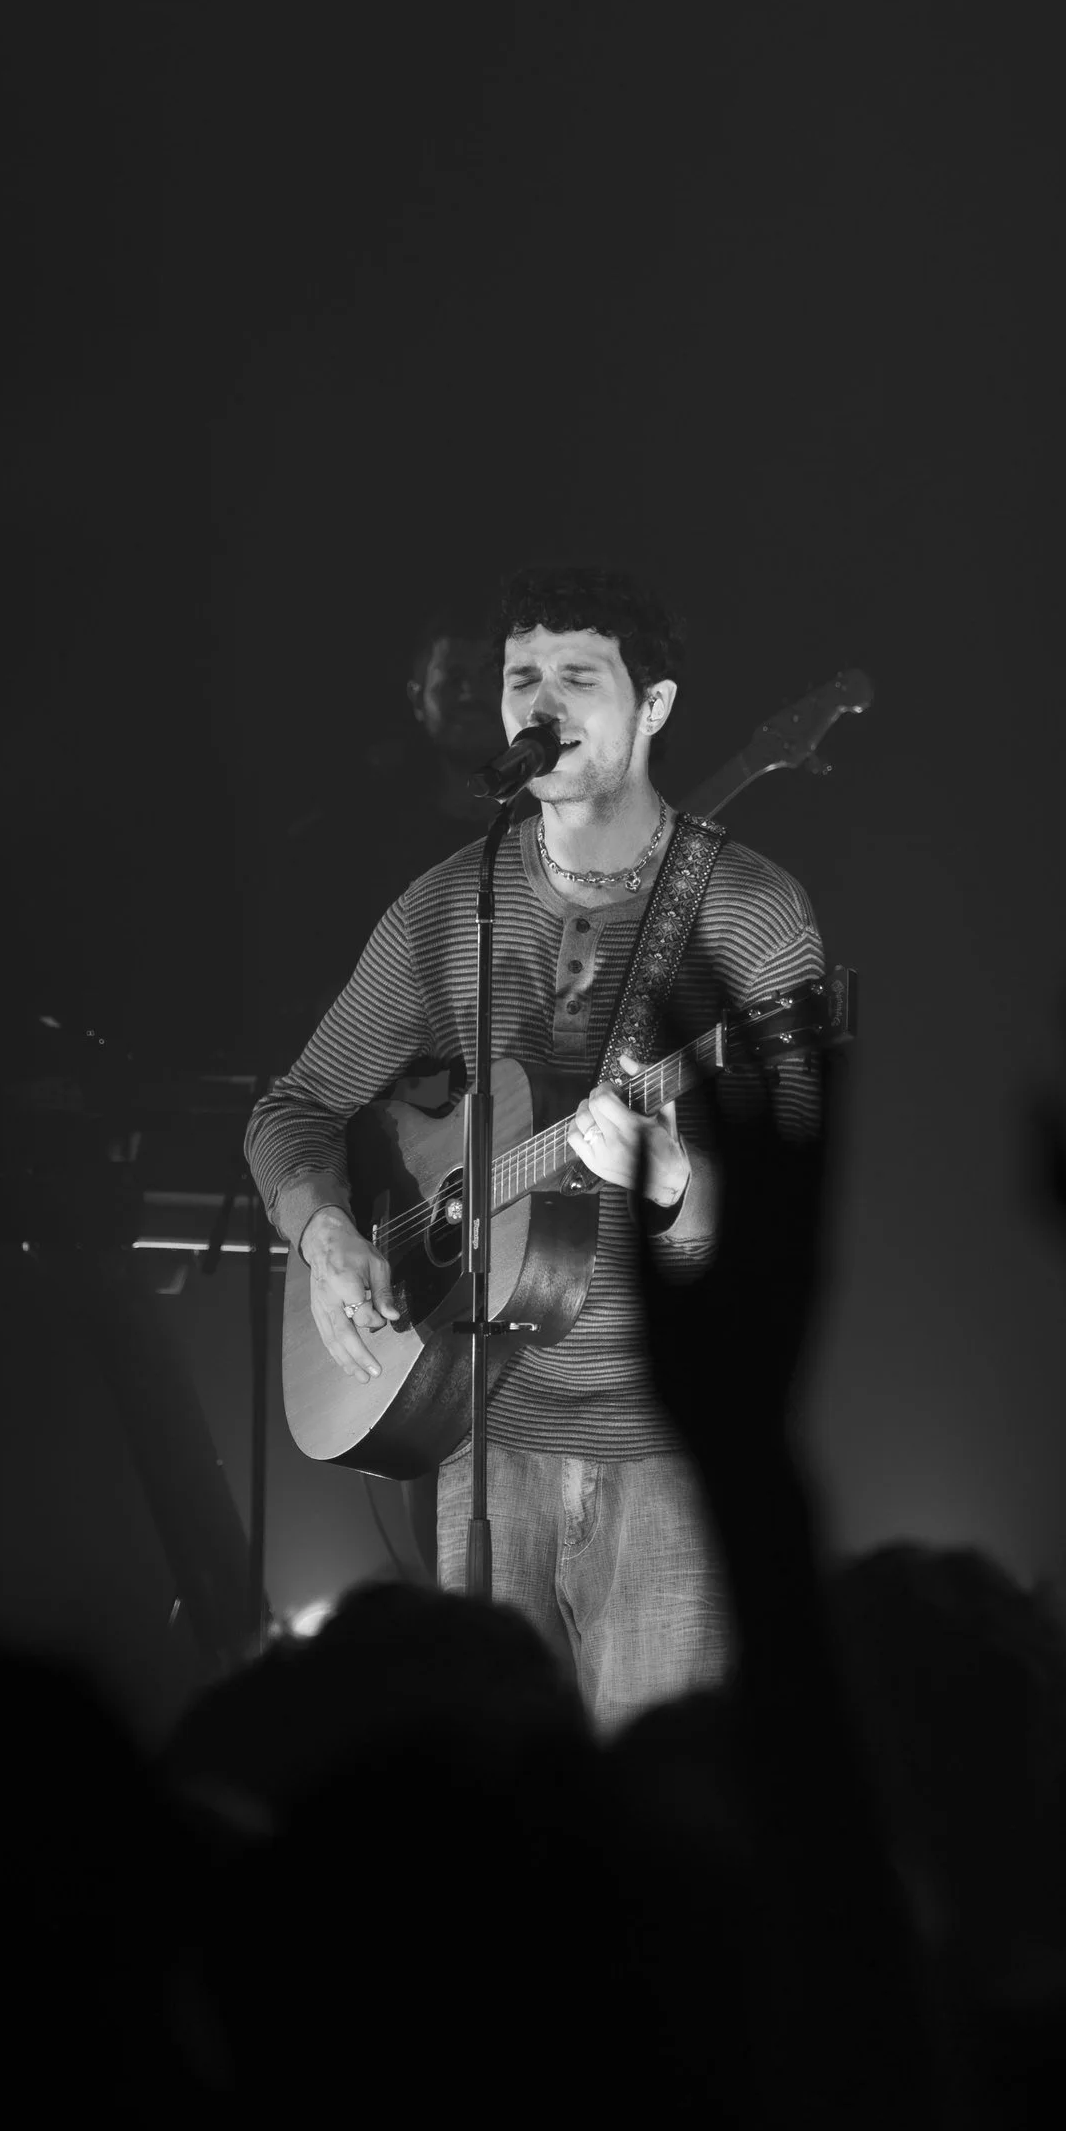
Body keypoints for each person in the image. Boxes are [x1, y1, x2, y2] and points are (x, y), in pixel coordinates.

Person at [245, 562, 829, 1724]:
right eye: (523, 679)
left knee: (661, 1831)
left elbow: (788, 1213)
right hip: (476, 1432)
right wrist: (321, 1236)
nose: (540, 705)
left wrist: (673, 1179)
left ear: (652, 707)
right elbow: (293, 1108)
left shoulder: (750, 916)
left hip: (667, 1458)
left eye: (578, 676)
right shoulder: (447, 905)